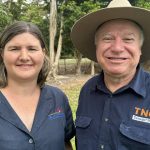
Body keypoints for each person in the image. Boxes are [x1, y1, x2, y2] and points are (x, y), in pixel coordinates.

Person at [71, 0, 150, 149]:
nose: (117, 48)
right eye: (107, 38)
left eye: (128, 39)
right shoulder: (88, 90)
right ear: (97, 47)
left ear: (140, 49)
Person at [0, 21, 75, 150]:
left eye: (32, 49)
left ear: (43, 53)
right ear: (2, 54)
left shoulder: (58, 98)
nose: (24, 57)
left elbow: (66, 143)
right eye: (15, 49)